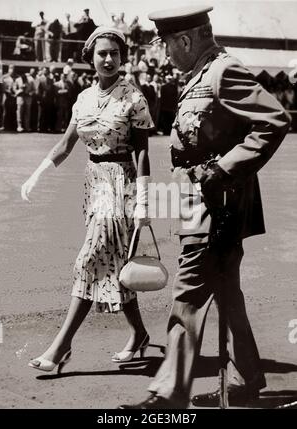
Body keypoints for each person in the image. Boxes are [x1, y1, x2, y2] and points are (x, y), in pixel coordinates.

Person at [119, 5, 291, 409]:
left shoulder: (223, 71)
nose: (164, 53)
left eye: (165, 44)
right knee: (227, 291)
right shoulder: (200, 73)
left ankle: (168, 394)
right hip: (198, 202)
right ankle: (244, 383)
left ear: (185, 39)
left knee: (189, 293)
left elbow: (274, 119)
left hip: (219, 206)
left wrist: (221, 169)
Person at [21, 26, 154, 372]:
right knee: (113, 265)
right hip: (93, 184)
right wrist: (37, 173)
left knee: (89, 259)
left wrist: (142, 201)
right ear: (90, 58)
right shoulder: (82, 99)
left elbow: (142, 153)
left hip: (120, 184)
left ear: (123, 57)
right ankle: (139, 334)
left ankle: (60, 347)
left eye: (114, 53)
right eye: (101, 53)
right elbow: (67, 144)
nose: (108, 59)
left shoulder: (134, 98)